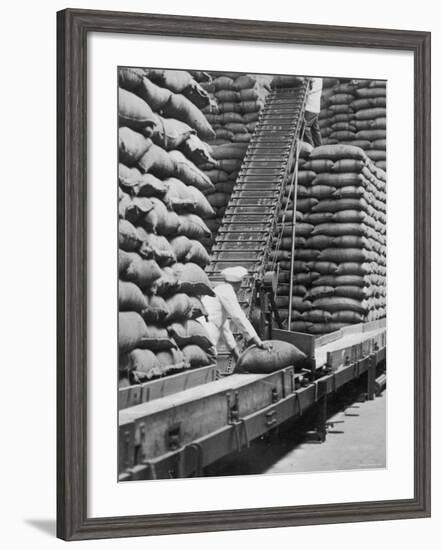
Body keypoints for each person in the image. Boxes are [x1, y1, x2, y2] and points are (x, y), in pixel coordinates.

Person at [198, 266, 271, 360]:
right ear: (238, 283)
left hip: (202, 331)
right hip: (207, 332)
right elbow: (239, 317)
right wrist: (258, 341)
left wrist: (237, 356)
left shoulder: (218, 290)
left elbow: (225, 330)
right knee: (208, 361)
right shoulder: (227, 290)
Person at [303, 77, 323, 147]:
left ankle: (310, 147)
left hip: (310, 107)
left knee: (305, 127)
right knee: (315, 130)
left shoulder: (315, 79)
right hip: (315, 108)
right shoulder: (320, 78)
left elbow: (309, 91)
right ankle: (319, 147)